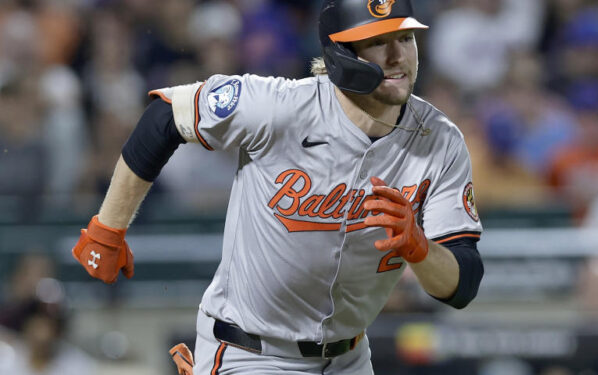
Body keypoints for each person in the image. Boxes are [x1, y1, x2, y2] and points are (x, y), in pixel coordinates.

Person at [70, 0, 484, 374]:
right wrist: (109, 228)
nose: (399, 56)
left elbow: (462, 285)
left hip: (350, 358)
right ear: (341, 54)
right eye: (378, 42)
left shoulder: (440, 140)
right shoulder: (279, 107)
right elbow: (165, 116)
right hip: (250, 353)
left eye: (406, 38)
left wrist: (422, 250)